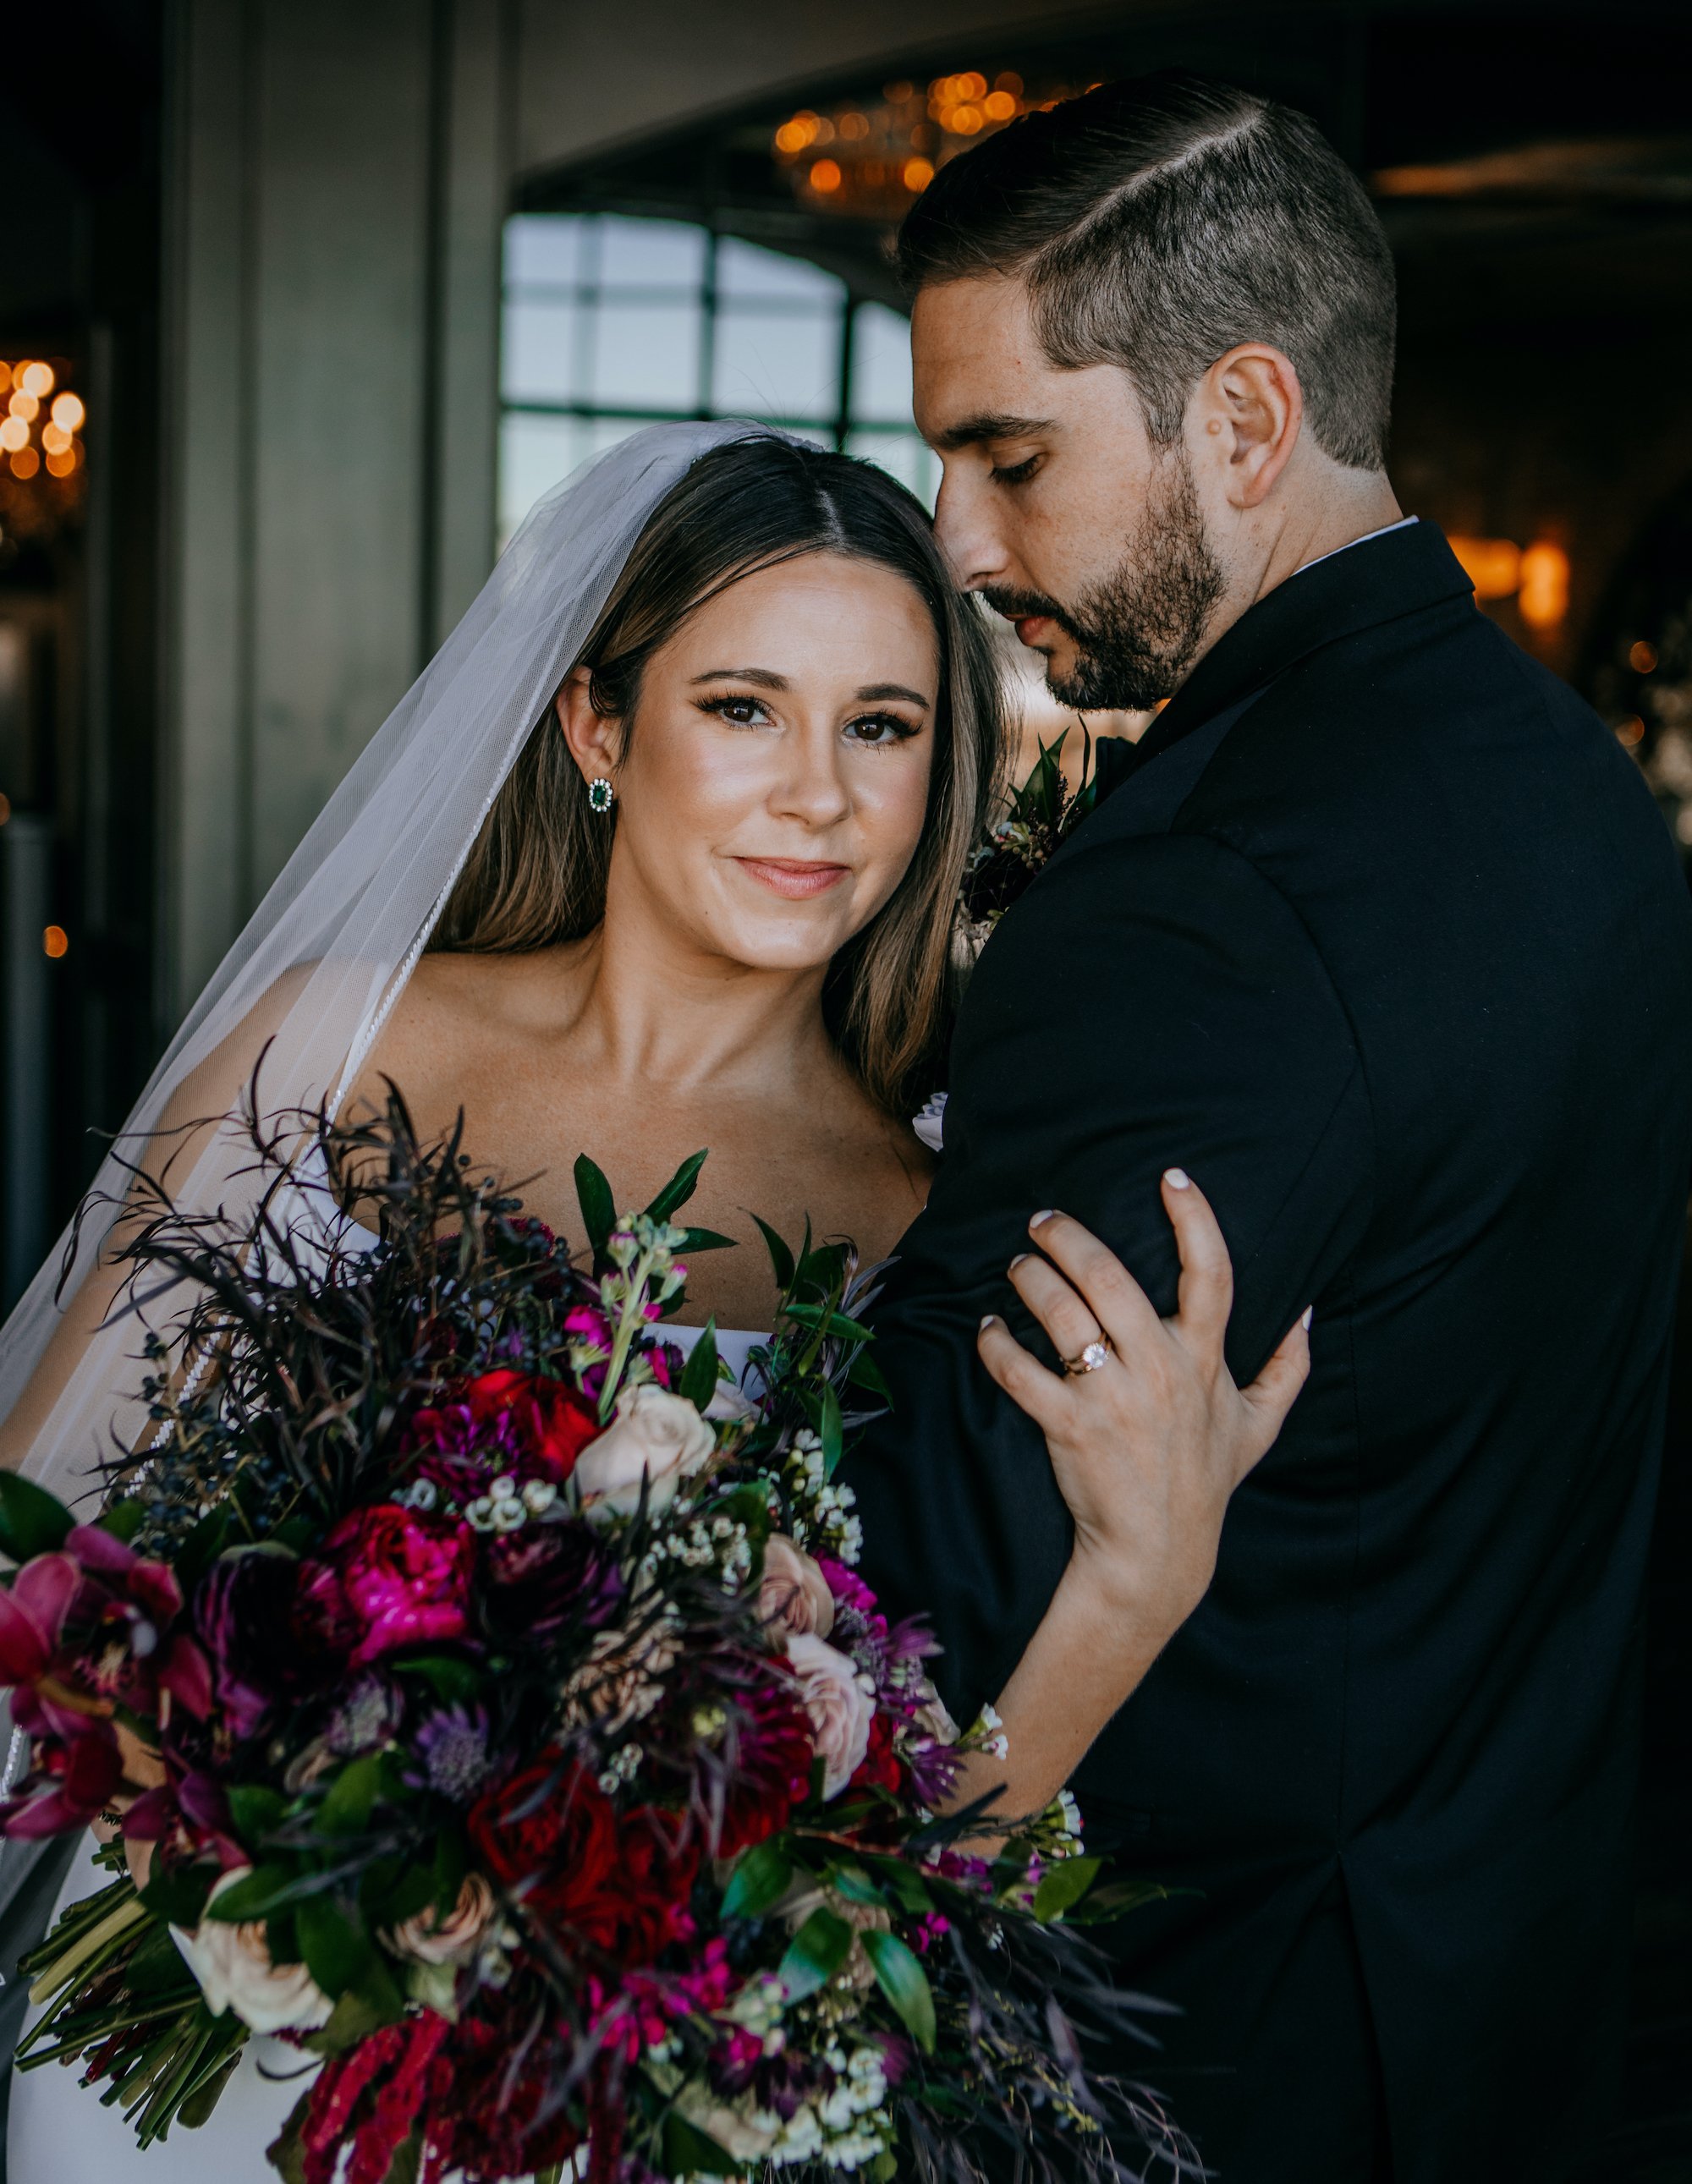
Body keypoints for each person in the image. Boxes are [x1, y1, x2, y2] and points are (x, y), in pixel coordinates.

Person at [0, 426, 1307, 2179]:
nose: (821, 797)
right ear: (599, 729)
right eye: (745, 708)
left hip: (620, 2103)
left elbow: (912, 1861)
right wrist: (283, 1796)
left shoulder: (932, 1229)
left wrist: (1136, 1587)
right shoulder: (339, 1049)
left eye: (884, 727)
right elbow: (42, 1560)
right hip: (220, 2005)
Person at [845, 69, 1692, 2184]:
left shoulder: (1202, 901)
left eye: (1006, 455)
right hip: (1517, 1982)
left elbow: (929, 1576)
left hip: (1219, 2054)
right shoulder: (1577, 791)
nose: (952, 538)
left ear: (1238, 420)